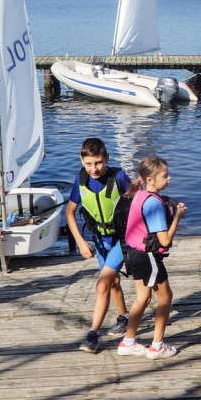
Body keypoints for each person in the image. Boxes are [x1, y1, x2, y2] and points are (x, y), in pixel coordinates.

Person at [67, 138, 132, 354]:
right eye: (89, 164)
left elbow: (139, 199)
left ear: (107, 159)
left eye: (98, 163)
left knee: (101, 285)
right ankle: (125, 318)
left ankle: (93, 335)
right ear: (82, 161)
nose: (94, 169)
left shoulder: (119, 177)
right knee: (112, 282)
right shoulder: (81, 179)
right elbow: (69, 212)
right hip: (100, 240)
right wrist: (80, 241)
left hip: (122, 239)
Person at [121, 156, 186, 360]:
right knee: (165, 298)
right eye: (165, 176)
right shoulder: (154, 204)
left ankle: (128, 342)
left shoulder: (139, 194)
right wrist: (177, 216)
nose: (169, 178)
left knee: (143, 298)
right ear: (150, 180)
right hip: (147, 256)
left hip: (132, 253)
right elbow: (165, 241)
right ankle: (157, 346)